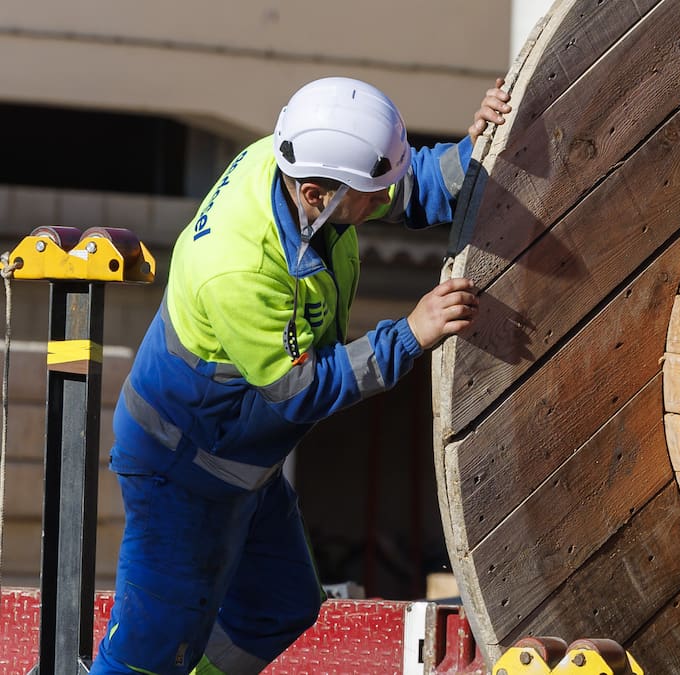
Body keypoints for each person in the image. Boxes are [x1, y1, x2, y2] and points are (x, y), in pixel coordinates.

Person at [91, 75, 511, 674]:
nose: (380, 204)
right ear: (317, 194)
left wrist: (475, 154)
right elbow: (301, 390)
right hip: (180, 468)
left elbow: (406, 185)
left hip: (240, 461)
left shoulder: (300, 169)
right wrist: (411, 333)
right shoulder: (238, 268)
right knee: (148, 651)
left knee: (278, 605)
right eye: (370, 195)